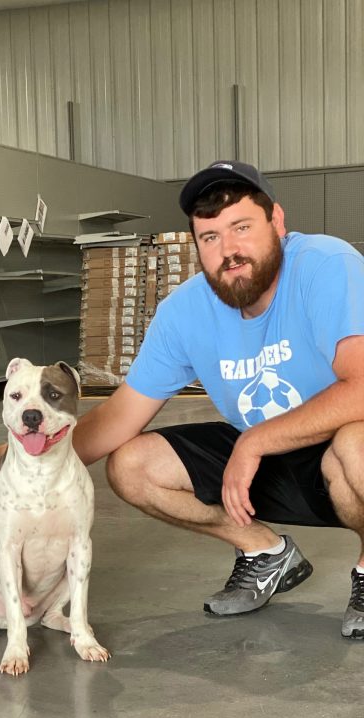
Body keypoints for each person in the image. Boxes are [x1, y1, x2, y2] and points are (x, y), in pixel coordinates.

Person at [71, 159, 364, 635]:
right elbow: (117, 417)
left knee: (358, 444)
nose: (229, 250)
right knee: (130, 464)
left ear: (278, 223)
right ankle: (267, 553)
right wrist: (20, 464)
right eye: (210, 237)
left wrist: (253, 443)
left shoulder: (326, 266)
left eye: (242, 227)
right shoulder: (184, 311)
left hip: (337, 446)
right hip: (269, 455)